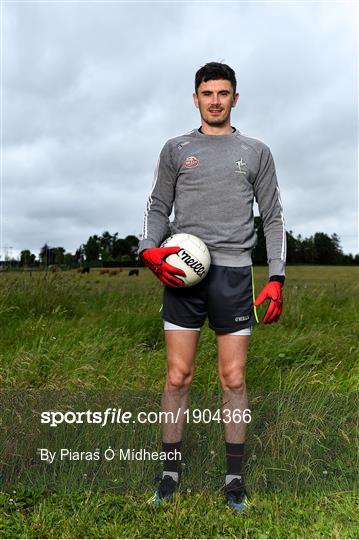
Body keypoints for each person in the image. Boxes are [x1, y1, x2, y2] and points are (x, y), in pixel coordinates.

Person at [138, 62, 286, 511]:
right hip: (182, 274)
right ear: (196, 98)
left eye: (223, 93)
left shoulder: (256, 151)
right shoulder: (176, 149)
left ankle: (234, 480)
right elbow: (158, 205)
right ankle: (169, 476)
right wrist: (149, 248)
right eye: (207, 93)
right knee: (177, 376)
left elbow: (274, 217)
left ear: (235, 98)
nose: (216, 100)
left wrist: (276, 276)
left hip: (234, 274)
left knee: (233, 377)